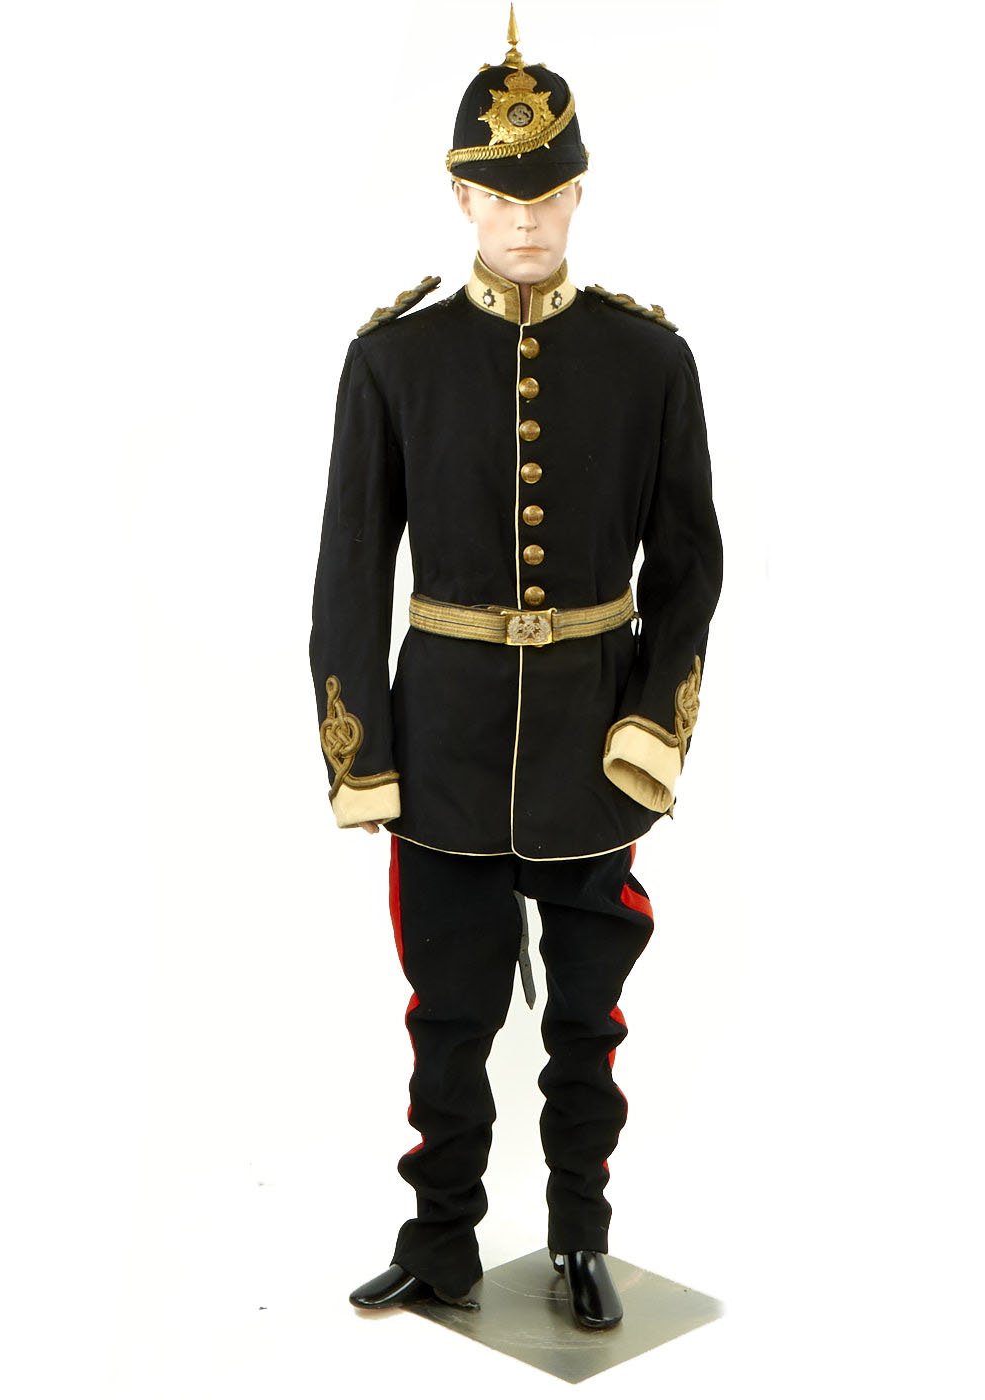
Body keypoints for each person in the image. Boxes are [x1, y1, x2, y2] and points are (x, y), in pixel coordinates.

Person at [308, 7, 723, 1331]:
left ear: (580, 190)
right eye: (500, 195)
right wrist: (362, 756)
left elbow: (692, 565)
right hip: (441, 745)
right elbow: (349, 570)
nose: (526, 219)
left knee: (586, 1023)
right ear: (461, 199)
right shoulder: (394, 361)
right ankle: (439, 1241)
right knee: (448, 1018)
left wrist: (653, 728)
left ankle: (579, 1238)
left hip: (593, 746)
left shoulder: (650, 361)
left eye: (546, 193)